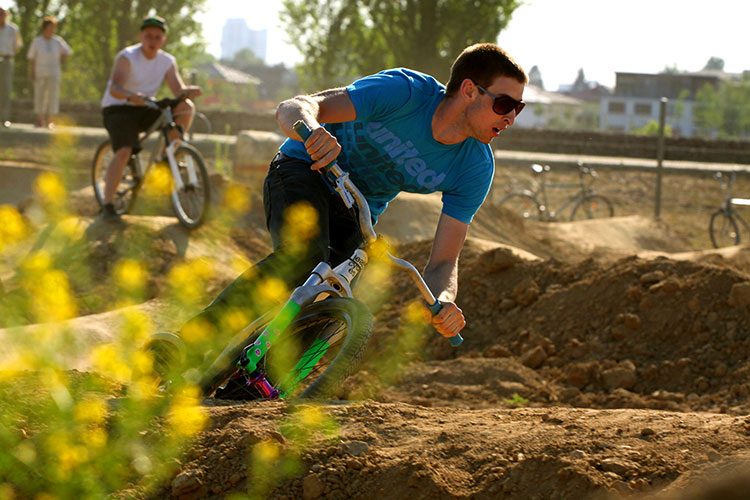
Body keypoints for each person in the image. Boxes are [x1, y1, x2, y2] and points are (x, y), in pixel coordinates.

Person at [182, 42, 527, 344]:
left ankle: (259, 377)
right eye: (504, 104)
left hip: (356, 211)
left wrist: (443, 300)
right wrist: (313, 132)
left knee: (339, 303)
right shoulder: (404, 92)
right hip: (305, 170)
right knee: (304, 259)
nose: (511, 117)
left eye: (518, 108)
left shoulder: (475, 167)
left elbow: (443, 261)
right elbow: (295, 106)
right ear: (469, 90)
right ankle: (190, 343)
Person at [99, 15, 201, 221]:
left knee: (185, 107)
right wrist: (131, 96)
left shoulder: (167, 61)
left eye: (157, 37)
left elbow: (177, 89)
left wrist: (189, 90)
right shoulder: (127, 57)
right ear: (141, 37)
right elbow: (115, 88)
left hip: (146, 106)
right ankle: (107, 204)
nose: (153, 41)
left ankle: (167, 154)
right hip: (119, 107)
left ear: (163, 40)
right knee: (124, 150)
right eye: (149, 36)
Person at [27, 16, 72, 129]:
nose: (52, 29)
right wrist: (32, 72)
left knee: (53, 96)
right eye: (50, 26)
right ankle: (39, 119)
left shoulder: (58, 41)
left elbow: (67, 52)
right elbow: (32, 58)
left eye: (53, 27)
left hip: (54, 72)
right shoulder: (37, 41)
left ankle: (50, 120)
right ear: (45, 27)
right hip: (40, 72)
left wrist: (59, 60)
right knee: (39, 96)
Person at [0, 6, 22, 128]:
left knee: (6, 89)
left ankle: (4, 118)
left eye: (2, 14)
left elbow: (16, 46)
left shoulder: (13, 29)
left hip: (7, 59)